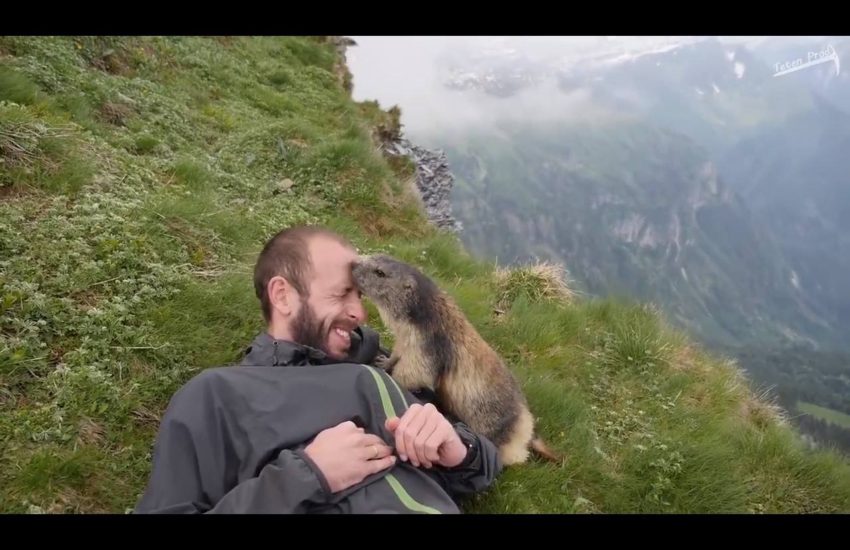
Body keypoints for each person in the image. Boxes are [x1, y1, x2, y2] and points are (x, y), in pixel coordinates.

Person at [134, 225, 502, 514]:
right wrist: (308, 476)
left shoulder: (383, 371)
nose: (360, 312)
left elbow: (484, 466)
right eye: (342, 294)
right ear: (282, 295)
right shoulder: (217, 395)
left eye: (359, 296)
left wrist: (458, 449)